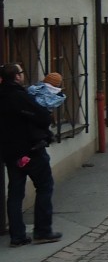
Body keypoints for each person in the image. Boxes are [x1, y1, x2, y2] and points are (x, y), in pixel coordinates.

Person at [0, 63, 62, 246]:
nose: (22, 75)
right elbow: (42, 117)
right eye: (21, 72)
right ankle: (42, 231)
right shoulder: (19, 96)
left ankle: (17, 236)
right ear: (17, 77)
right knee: (44, 186)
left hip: (10, 154)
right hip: (30, 151)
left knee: (15, 193)